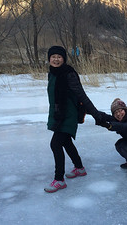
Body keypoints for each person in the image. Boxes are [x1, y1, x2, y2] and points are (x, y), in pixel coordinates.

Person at [44, 46, 102, 193]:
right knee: (66, 142)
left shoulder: (69, 74)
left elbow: (81, 95)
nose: (56, 59)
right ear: (49, 58)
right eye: (53, 57)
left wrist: (95, 113)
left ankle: (59, 180)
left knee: (55, 144)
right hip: (58, 114)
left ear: (64, 59)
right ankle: (79, 168)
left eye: (59, 57)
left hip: (67, 115)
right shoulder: (52, 74)